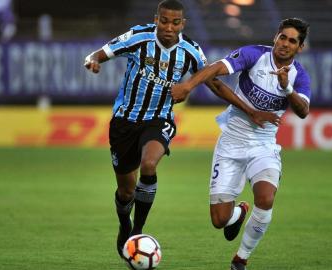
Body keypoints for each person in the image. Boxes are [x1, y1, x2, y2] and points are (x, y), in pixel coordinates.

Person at [84, 0, 280, 259]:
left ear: (182, 24)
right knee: (126, 192)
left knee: (149, 164)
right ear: (156, 19)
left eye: (175, 22)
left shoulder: (190, 51)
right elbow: (98, 53)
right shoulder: (138, 37)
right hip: (124, 122)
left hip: (159, 119)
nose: (168, 27)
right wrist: (93, 61)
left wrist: (250, 110)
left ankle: (137, 233)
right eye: (164, 21)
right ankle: (125, 225)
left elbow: (216, 85)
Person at [171, 18, 311, 270]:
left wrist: (286, 88)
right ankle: (239, 212)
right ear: (275, 38)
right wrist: (188, 86)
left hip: (264, 145)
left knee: (266, 198)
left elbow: (303, 111)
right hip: (231, 143)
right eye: (282, 37)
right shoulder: (253, 55)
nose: (285, 44)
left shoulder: (300, 76)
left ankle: (241, 258)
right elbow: (214, 69)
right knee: (219, 220)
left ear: (299, 47)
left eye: (292, 41)